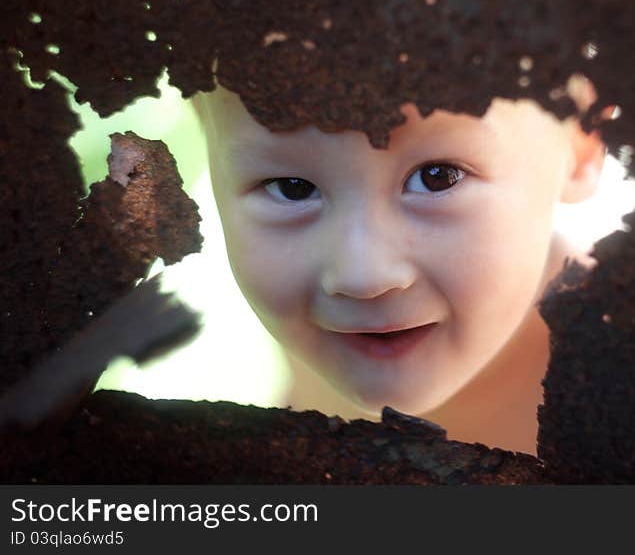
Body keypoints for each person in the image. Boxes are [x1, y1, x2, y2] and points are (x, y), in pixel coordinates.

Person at [191, 80, 605, 455]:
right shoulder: (340, 335)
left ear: (581, 142)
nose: (362, 276)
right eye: (292, 188)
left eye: (438, 177)